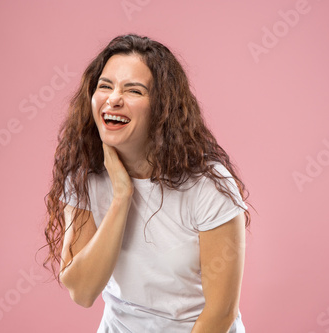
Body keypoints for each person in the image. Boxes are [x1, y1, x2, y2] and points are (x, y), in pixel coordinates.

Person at [43, 34, 252, 332]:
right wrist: (121, 196)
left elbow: (220, 314)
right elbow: (82, 290)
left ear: (162, 109)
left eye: (134, 91)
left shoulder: (207, 186)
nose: (113, 99)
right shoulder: (84, 176)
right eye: (105, 86)